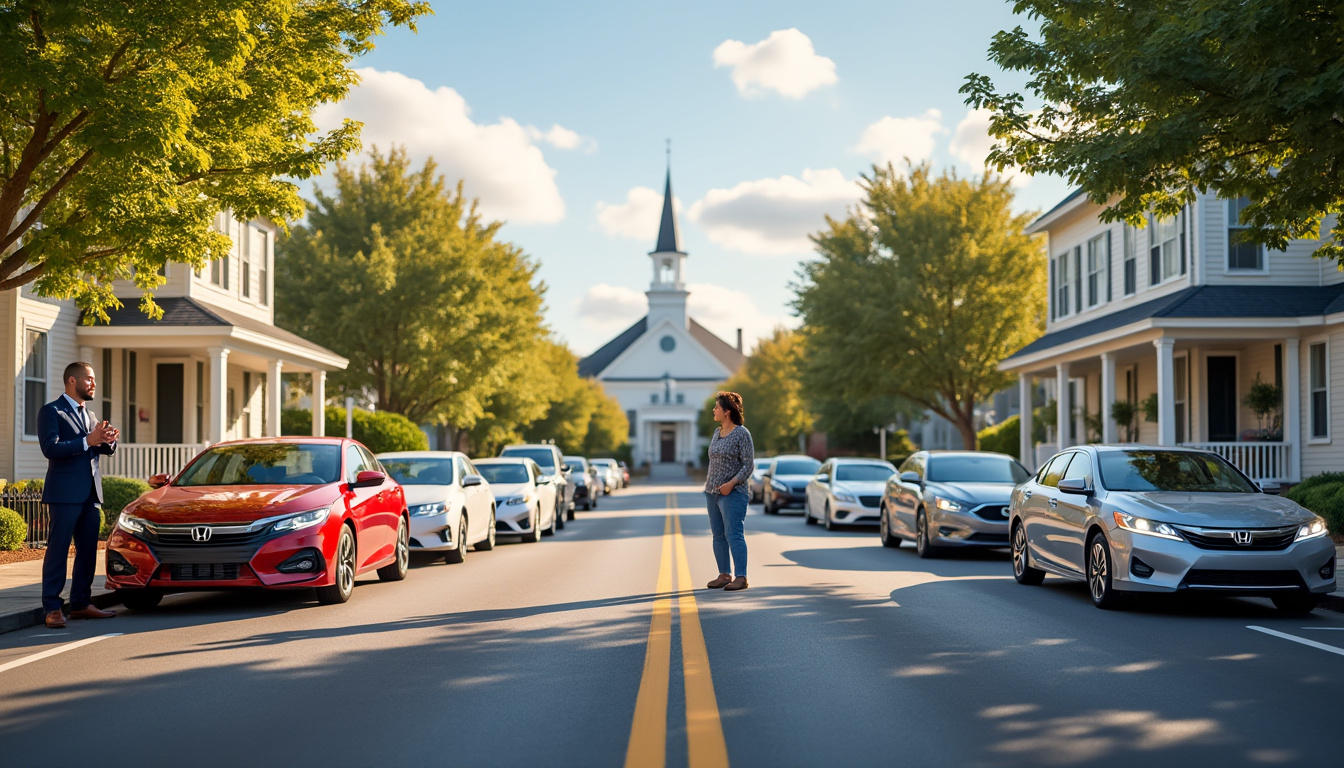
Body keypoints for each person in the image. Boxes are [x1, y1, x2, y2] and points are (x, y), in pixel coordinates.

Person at [38, 361, 120, 629]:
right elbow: (51, 448)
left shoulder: (91, 415)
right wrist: (88, 441)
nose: (93, 383)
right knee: (58, 551)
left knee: (87, 551)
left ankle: (82, 604)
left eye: (94, 379)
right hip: (64, 495)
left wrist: (108, 441)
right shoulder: (51, 412)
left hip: (90, 494)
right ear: (72, 381)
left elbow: (96, 449)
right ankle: (52, 607)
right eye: (89, 379)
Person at [704, 391, 754, 592]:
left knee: (733, 534)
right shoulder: (717, 433)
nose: (714, 410)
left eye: (717, 407)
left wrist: (731, 484)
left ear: (727, 411)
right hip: (712, 492)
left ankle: (741, 577)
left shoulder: (742, 433)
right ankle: (724, 574)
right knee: (718, 535)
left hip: (733, 493)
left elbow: (748, 465)